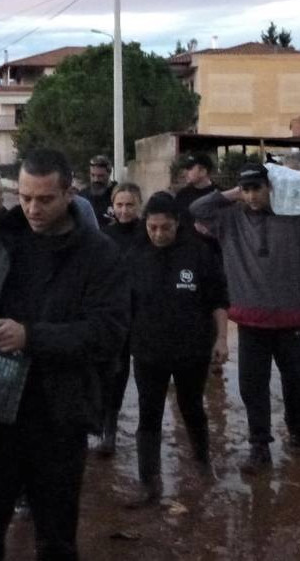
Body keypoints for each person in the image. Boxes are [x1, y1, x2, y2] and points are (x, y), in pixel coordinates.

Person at [0, 149, 129, 561]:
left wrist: (31, 336)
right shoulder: (5, 237)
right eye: (25, 198)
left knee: (55, 540)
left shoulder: (99, 254)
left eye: (45, 199)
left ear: (69, 194)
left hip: (58, 416)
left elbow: (107, 333)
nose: (32, 209)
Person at [191, 163, 300, 475]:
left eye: (257, 188)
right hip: (251, 323)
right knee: (253, 387)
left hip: (292, 320)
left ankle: (296, 433)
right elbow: (197, 209)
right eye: (246, 190)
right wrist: (233, 193)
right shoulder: (229, 220)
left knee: (296, 382)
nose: (252, 196)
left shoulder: (292, 216)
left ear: (270, 188)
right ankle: (259, 445)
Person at [126, 192, 229, 504]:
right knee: (149, 414)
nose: (159, 234)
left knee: (192, 407)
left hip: (192, 350)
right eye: (153, 227)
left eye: (166, 228)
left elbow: (218, 300)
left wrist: (222, 339)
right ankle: (149, 481)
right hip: (148, 351)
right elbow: (123, 304)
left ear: (178, 224)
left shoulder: (199, 253)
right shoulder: (134, 255)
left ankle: (201, 461)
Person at [96, 182, 145, 455]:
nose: (124, 210)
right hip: (116, 314)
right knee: (115, 373)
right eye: (119, 205)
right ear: (112, 207)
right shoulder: (104, 237)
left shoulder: (149, 232)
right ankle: (109, 428)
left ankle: (148, 431)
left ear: (139, 205)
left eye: (129, 205)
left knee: (148, 374)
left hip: (145, 314)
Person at [174, 152, 218, 238]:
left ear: (203, 171)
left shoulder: (221, 195)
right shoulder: (181, 195)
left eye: (190, 168)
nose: (185, 172)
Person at [78, 154, 116, 228]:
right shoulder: (82, 195)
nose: (96, 179)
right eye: (93, 175)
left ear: (109, 174)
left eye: (100, 176)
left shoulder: (119, 194)